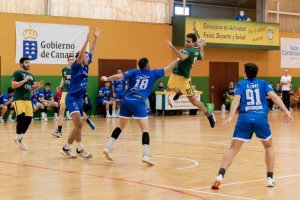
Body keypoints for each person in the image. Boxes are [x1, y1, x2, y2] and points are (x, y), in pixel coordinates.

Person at [211, 63, 293, 189]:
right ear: (257, 73)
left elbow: (236, 100)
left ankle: (219, 176)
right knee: (269, 147)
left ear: (245, 73)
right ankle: (270, 178)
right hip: (260, 118)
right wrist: (286, 110)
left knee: (232, 149)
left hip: (244, 119)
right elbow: (274, 97)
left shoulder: (240, 84)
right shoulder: (264, 83)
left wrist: (230, 117)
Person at [101, 57, 179, 165]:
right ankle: (146, 155)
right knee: (145, 130)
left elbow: (119, 76)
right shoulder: (153, 73)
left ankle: (108, 147)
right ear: (147, 65)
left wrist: (106, 79)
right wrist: (179, 58)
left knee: (120, 127)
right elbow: (169, 67)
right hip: (138, 101)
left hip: (126, 100)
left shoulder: (134, 71)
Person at [60, 27, 99, 159]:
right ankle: (80, 149)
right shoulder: (76, 67)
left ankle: (66, 147)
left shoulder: (87, 65)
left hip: (79, 99)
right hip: (71, 98)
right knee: (80, 124)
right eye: (86, 56)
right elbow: (82, 54)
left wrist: (96, 39)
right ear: (81, 58)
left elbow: (92, 51)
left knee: (78, 125)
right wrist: (85, 42)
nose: (89, 58)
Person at [166, 33, 216, 128]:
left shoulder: (190, 51)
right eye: (185, 40)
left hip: (184, 79)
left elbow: (182, 57)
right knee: (169, 87)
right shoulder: (196, 50)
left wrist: (172, 46)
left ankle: (209, 115)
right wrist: (201, 47)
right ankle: (180, 92)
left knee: (194, 101)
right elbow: (202, 57)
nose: (186, 43)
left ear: (193, 43)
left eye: (188, 42)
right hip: (175, 74)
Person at [11, 57, 43, 150]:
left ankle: (19, 138)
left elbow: (31, 89)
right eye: (26, 62)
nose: (28, 64)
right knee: (21, 117)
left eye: (29, 62)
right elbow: (13, 85)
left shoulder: (31, 75)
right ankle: (17, 136)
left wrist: (37, 87)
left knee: (28, 119)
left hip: (28, 100)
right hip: (19, 99)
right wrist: (24, 80)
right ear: (21, 64)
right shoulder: (17, 73)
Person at [52, 55, 74, 138]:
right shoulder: (64, 69)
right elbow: (63, 78)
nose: (71, 61)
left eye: (73, 60)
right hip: (65, 92)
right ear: (67, 61)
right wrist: (60, 86)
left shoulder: (75, 69)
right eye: (70, 60)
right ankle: (59, 131)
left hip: (73, 92)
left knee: (79, 112)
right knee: (61, 110)